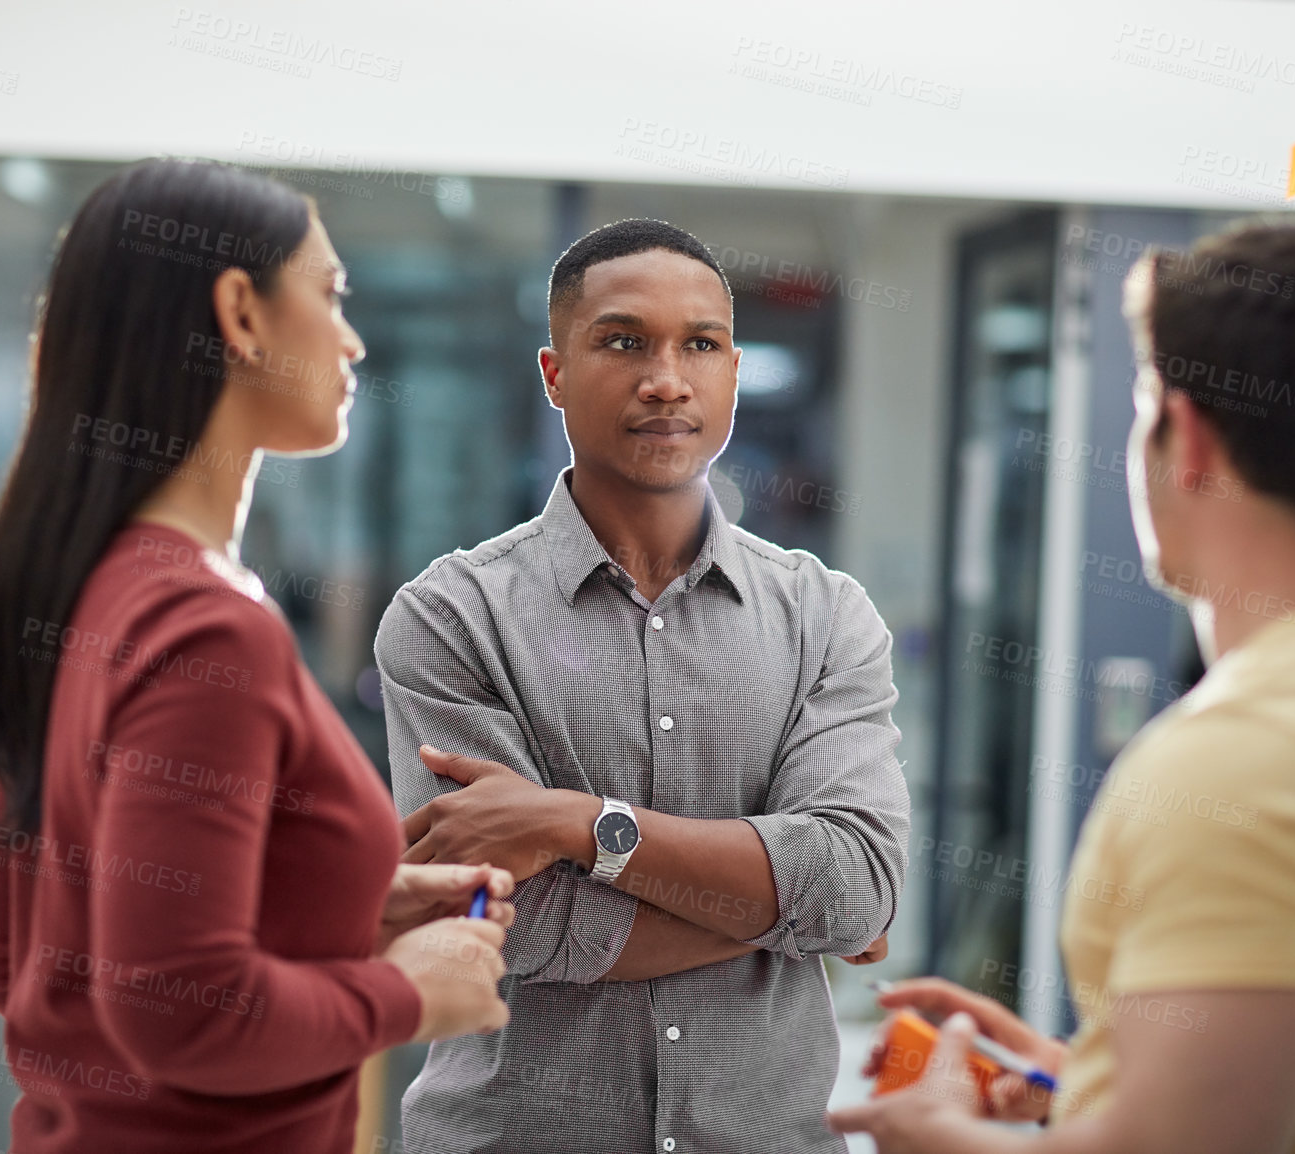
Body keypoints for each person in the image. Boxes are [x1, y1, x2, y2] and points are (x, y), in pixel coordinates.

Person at [827, 221, 1295, 1153]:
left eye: (1144, 405)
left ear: (1184, 438)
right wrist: (1088, 1073)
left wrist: (938, 1137)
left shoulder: (1240, 765)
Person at [0, 158, 515, 1154]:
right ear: (240, 311)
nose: (350, 337)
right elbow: (179, 1006)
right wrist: (406, 992)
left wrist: (342, 908)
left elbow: (22, 954)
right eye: (329, 292)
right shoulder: (208, 629)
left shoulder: (83, 588)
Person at [373, 218, 912, 1153]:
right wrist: (784, 913)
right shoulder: (451, 617)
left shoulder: (826, 616)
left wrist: (575, 827)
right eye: (623, 342)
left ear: (733, 373)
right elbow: (520, 921)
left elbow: (856, 885)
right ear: (554, 374)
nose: (666, 379)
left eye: (699, 346)